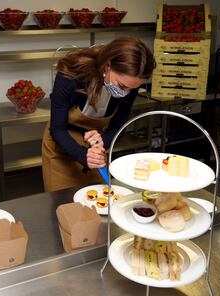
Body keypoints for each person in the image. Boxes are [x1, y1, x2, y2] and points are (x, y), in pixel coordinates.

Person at [42, 37, 156, 192]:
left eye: (131, 89)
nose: (125, 93)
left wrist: (101, 143)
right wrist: (83, 154)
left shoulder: (130, 85)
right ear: (108, 65)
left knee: (98, 201)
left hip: (95, 147)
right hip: (61, 147)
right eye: (122, 86)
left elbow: (118, 126)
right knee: (63, 206)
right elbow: (57, 129)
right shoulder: (70, 76)